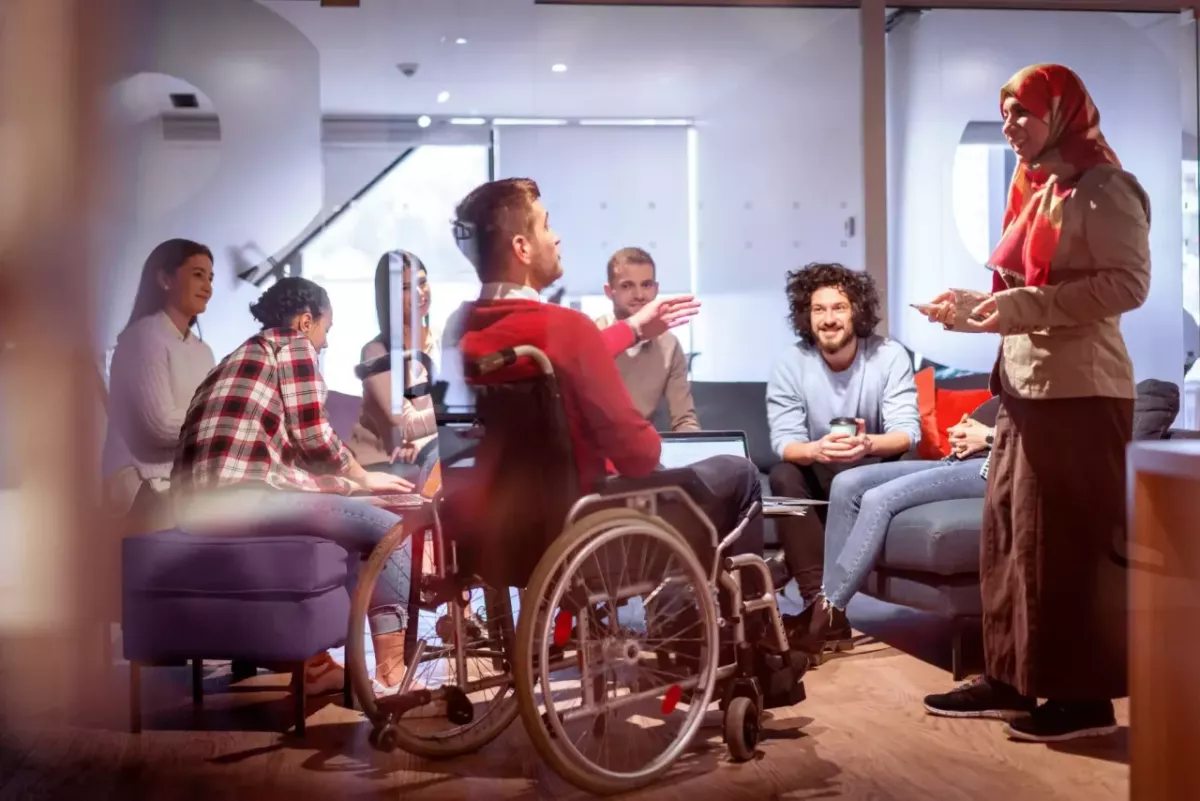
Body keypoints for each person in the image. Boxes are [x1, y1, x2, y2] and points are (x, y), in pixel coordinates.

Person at [917, 64, 1149, 742]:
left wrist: (1014, 306)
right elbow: (1024, 292)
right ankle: (1014, 679)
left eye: (1024, 112)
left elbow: (1127, 286)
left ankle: (1084, 698)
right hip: (1025, 388)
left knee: (1064, 548)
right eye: (1006, 113)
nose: (1012, 126)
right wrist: (970, 307)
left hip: (1081, 391)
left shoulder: (1105, 186)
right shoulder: (1034, 186)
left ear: (1064, 113)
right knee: (1010, 538)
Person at [448, 178, 767, 606]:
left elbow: (553, 357)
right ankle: (743, 637)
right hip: (589, 525)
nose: (556, 236)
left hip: (505, 530)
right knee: (740, 473)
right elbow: (640, 455)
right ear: (523, 248)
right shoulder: (565, 328)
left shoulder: (465, 328)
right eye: (546, 225)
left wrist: (633, 330)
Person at [171, 277, 416, 694]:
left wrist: (340, 486)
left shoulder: (238, 357)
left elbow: (282, 457)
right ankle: (392, 675)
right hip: (241, 499)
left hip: (194, 507)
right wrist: (360, 477)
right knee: (391, 529)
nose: (324, 344)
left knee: (347, 522)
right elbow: (313, 436)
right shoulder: (292, 345)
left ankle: (316, 666)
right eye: (327, 330)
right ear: (306, 322)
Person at [765, 262, 921, 634]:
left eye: (839, 307)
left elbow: (907, 433)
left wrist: (867, 444)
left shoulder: (888, 356)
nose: (829, 319)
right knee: (784, 474)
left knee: (908, 459)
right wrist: (818, 450)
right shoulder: (791, 362)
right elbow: (784, 443)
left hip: (874, 469)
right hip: (822, 468)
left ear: (858, 312)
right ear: (807, 315)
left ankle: (814, 601)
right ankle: (821, 609)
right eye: (819, 309)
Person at [802, 399, 998, 652]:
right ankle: (835, 621)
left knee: (878, 498)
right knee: (846, 483)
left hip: (991, 468)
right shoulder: (1013, 377)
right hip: (961, 459)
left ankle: (826, 611)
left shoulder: (1054, 382)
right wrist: (965, 433)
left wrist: (989, 436)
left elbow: (1043, 438)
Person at [101, 239, 216, 530]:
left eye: (210, 277)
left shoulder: (204, 351)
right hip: (141, 484)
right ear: (165, 279)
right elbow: (160, 426)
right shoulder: (143, 338)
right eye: (197, 274)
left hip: (181, 485)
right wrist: (221, 422)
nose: (208, 286)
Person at [347, 250, 439, 483]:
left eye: (422, 282)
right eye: (405, 288)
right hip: (381, 463)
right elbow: (405, 426)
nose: (419, 293)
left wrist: (422, 441)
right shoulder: (375, 352)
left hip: (426, 449)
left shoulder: (446, 342)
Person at [594, 247, 699, 432]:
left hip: (640, 450)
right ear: (610, 291)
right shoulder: (592, 334)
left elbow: (684, 420)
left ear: (656, 289)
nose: (639, 295)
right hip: (592, 449)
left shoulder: (669, 345)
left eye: (646, 285)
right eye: (627, 286)